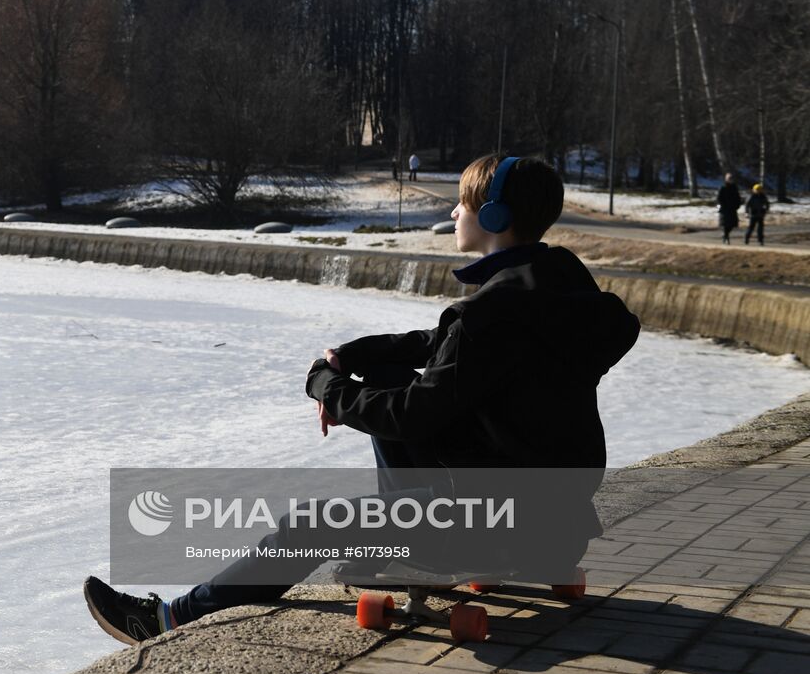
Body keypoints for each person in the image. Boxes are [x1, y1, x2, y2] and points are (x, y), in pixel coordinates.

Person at [82, 154, 641, 644]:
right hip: (559, 512)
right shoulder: (560, 286)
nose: (452, 214)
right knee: (395, 377)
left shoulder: (490, 314)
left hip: (493, 521)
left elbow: (413, 413)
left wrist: (325, 386)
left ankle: (168, 618)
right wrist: (353, 357)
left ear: (493, 217)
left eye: (462, 205)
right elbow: (440, 346)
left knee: (308, 525)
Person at [716, 174, 741, 245]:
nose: (731, 180)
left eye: (732, 178)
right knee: (725, 224)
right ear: (726, 179)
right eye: (729, 178)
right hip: (725, 208)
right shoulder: (723, 187)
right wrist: (721, 205)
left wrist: (738, 205)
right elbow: (719, 198)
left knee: (733, 224)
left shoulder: (734, 187)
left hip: (732, 208)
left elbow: (737, 197)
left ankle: (725, 235)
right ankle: (726, 237)